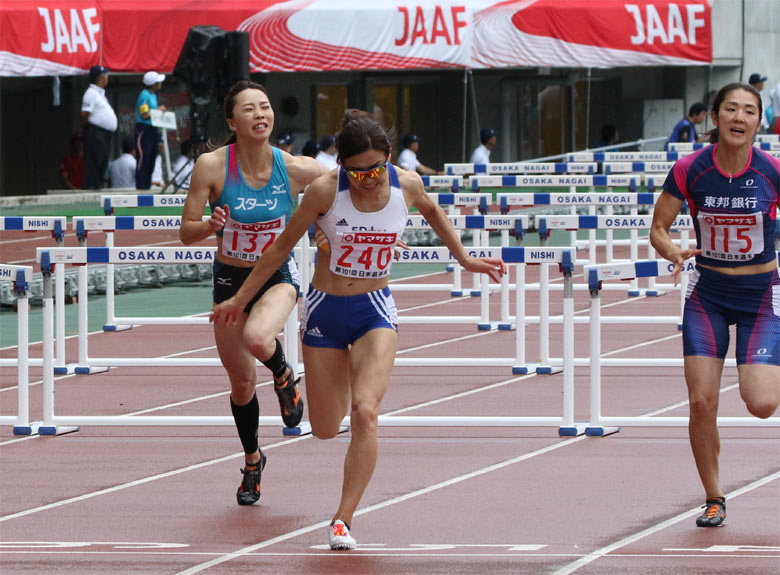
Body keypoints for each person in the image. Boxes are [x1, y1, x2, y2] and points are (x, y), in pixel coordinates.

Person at [211, 109, 507, 550]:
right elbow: (279, 249)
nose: (368, 178)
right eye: (357, 171)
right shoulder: (324, 191)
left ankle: (342, 520)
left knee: (365, 413)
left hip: (374, 311)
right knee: (326, 428)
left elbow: (433, 212)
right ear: (342, 166)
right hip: (326, 313)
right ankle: (319, 379)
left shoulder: (407, 183)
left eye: (376, 169)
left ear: (389, 158)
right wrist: (239, 298)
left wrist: (464, 258)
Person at [180, 81, 328, 507]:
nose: (260, 114)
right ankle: (253, 460)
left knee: (260, 339)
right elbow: (186, 231)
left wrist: (378, 229)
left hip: (277, 275)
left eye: (265, 106)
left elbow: (344, 188)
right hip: (229, 279)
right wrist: (209, 226)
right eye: (249, 109)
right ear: (232, 121)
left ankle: (285, 377)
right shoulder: (211, 167)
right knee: (242, 383)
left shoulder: (296, 169)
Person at [650, 82, 780, 528]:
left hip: (761, 296)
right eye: (731, 109)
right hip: (708, 296)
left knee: (762, 404)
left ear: (759, 121)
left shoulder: (773, 171)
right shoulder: (689, 169)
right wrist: (670, 251)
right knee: (701, 403)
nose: (739, 118)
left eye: (748, 111)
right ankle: (714, 497)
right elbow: (659, 228)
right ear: (715, 116)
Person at [81, 65, 117, 189]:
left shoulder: (100, 94)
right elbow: (85, 114)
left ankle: (97, 185)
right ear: (100, 79)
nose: (107, 78)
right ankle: (91, 186)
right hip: (96, 132)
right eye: (105, 76)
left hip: (104, 133)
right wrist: (87, 129)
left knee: (102, 159)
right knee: (94, 159)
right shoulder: (90, 93)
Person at [134, 71, 166, 189]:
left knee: (152, 157)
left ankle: (147, 185)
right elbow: (144, 114)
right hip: (144, 130)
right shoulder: (144, 95)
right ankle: (141, 186)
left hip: (153, 129)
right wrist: (159, 109)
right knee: (144, 158)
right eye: (158, 81)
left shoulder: (153, 95)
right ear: (153, 83)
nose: (160, 83)